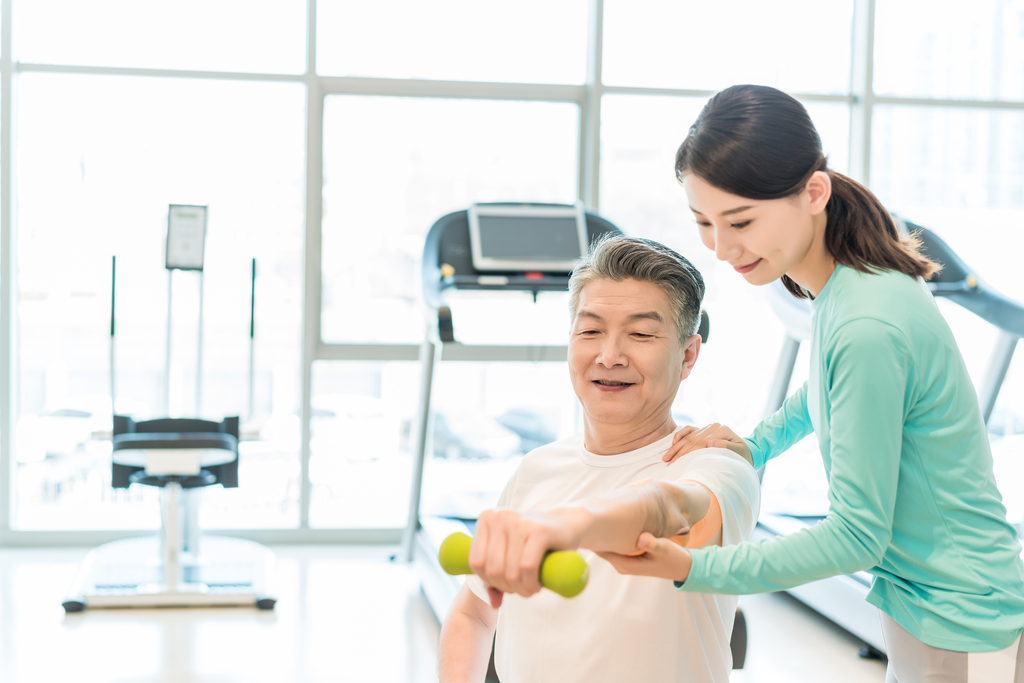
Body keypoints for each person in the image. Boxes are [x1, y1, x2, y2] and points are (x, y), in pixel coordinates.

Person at [598, 84, 1024, 683]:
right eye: (704, 223)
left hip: (960, 617)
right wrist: (755, 444)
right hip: (938, 601)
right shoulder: (850, 283)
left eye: (740, 220)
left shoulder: (866, 321)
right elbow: (828, 391)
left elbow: (855, 538)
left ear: (814, 193)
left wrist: (695, 567)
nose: (722, 248)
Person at [437, 235, 760, 683]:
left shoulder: (714, 465)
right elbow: (473, 613)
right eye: (590, 331)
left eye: (642, 334)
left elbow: (667, 509)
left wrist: (562, 526)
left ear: (687, 356)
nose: (609, 356)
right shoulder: (536, 470)